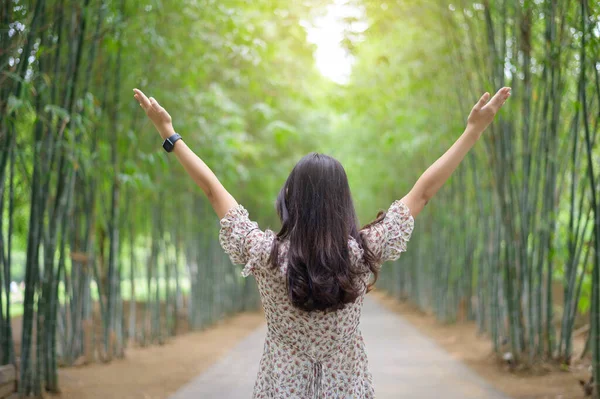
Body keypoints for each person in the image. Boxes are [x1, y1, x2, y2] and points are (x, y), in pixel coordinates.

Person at [133, 86, 511, 398]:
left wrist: (170, 134)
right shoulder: (361, 253)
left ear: (290, 198)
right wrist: (473, 131)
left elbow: (213, 190)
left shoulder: (268, 255)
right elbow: (424, 192)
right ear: (342, 201)